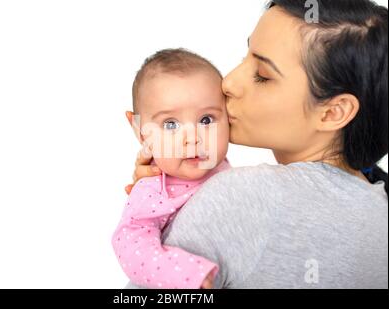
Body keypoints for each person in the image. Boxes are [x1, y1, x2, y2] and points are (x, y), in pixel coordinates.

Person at [124, 0, 388, 288]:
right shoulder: (378, 211)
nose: (228, 83)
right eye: (245, 56)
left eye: (262, 75)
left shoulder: (241, 198)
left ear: (332, 112)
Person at [112, 49, 231, 289]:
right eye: (170, 124)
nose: (192, 138)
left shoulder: (229, 173)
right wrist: (185, 275)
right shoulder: (154, 189)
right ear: (140, 130)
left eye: (206, 120)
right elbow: (129, 240)